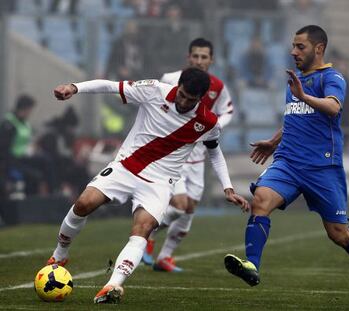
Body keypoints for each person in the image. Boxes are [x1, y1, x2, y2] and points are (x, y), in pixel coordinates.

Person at [47, 67, 249, 304]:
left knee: (143, 228)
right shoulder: (154, 90)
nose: (183, 102)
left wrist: (228, 187)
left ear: (201, 98)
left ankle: (112, 286)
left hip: (159, 182)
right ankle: (59, 256)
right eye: (181, 94)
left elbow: (214, 152)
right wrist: (74, 87)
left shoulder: (208, 122)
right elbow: (111, 86)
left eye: (190, 99)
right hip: (125, 167)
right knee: (83, 203)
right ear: (178, 86)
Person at [224, 25, 349, 296]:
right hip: (289, 162)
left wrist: (304, 96)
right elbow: (297, 117)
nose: (293, 51)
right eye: (293, 46)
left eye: (300, 47)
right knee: (260, 200)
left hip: (322, 167)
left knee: (338, 233)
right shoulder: (295, 79)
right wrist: (273, 142)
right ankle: (252, 265)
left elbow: (333, 107)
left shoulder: (332, 78)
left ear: (318, 49)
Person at [142, 38, 234, 272]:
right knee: (180, 205)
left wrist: (214, 127)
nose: (200, 61)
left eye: (204, 57)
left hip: (198, 155)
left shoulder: (218, 86)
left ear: (211, 60)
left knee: (189, 209)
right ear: (188, 57)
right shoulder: (170, 79)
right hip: (172, 154)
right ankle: (146, 234)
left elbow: (228, 111)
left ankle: (165, 257)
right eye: (196, 56)